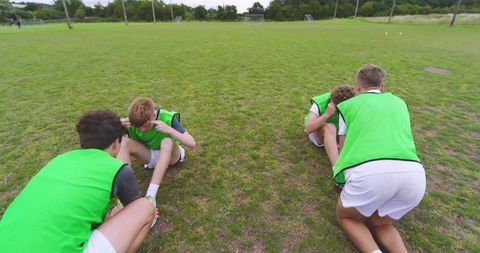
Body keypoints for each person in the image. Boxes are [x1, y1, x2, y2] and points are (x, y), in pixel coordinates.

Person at [0, 110, 156, 253]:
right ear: (116, 142)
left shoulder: (59, 160)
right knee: (145, 207)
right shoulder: (118, 169)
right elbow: (132, 209)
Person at [334, 64, 426, 253]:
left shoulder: (349, 106)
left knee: (348, 217)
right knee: (379, 222)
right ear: (382, 87)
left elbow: (343, 148)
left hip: (370, 175)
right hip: (414, 176)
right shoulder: (400, 102)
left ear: (357, 87)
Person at [118, 97, 196, 201]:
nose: (141, 129)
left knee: (167, 142)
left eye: (145, 126)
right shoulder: (135, 121)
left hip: (172, 156)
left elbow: (192, 143)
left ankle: (151, 196)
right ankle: (123, 196)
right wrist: (117, 124)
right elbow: (107, 142)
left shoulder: (166, 117)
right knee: (123, 142)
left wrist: (168, 129)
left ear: (154, 115)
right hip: (149, 156)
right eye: (138, 126)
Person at [304, 85, 354, 167]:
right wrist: (326, 114)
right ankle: (337, 167)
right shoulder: (321, 101)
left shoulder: (353, 104)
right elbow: (307, 129)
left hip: (339, 134)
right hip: (319, 134)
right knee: (330, 127)